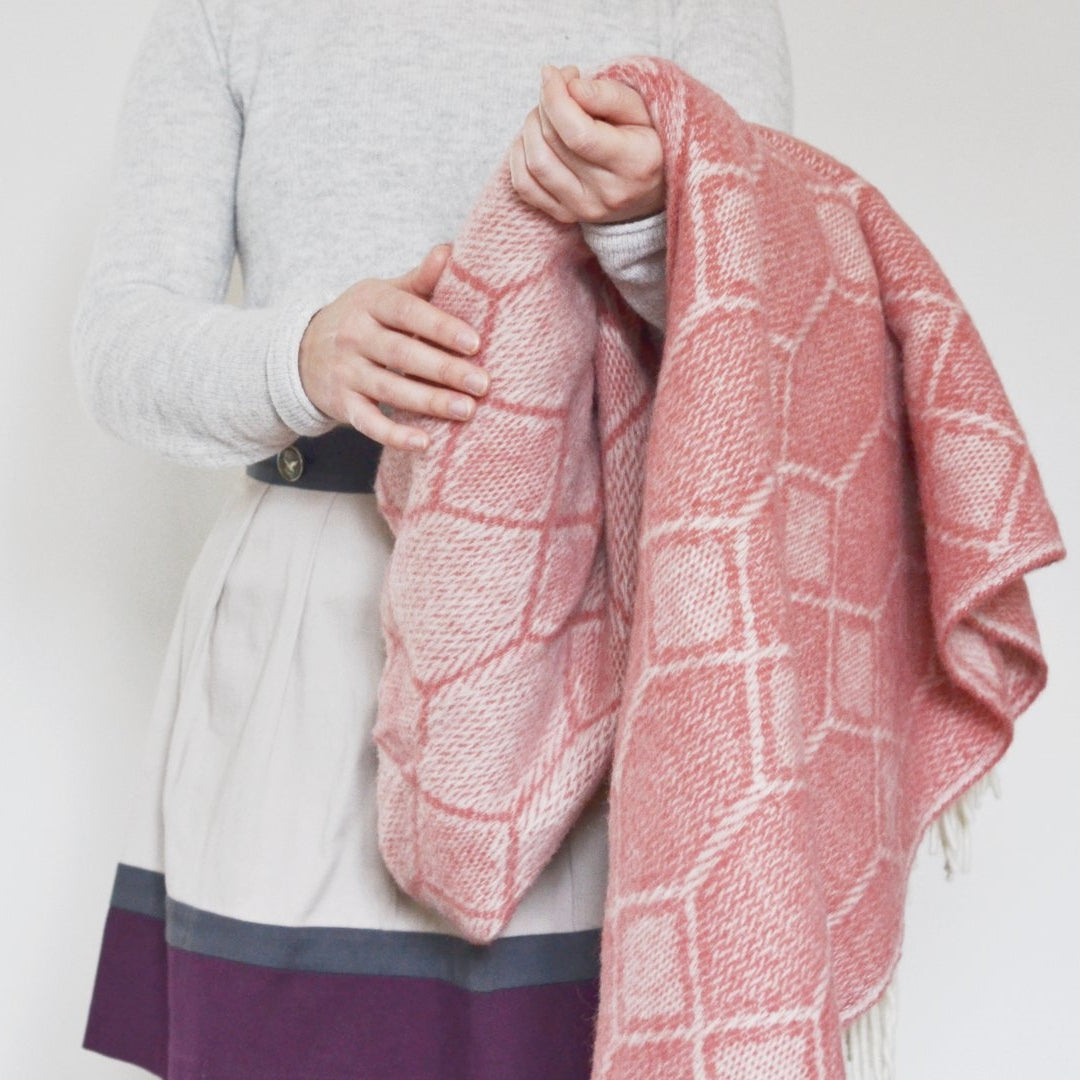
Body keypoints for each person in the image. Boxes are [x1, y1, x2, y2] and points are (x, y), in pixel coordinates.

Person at [72, 2, 793, 1076]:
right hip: (305, 643)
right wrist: (301, 358)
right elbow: (116, 348)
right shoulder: (228, 15)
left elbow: (770, 336)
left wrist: (646, 223)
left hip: (595, 643)